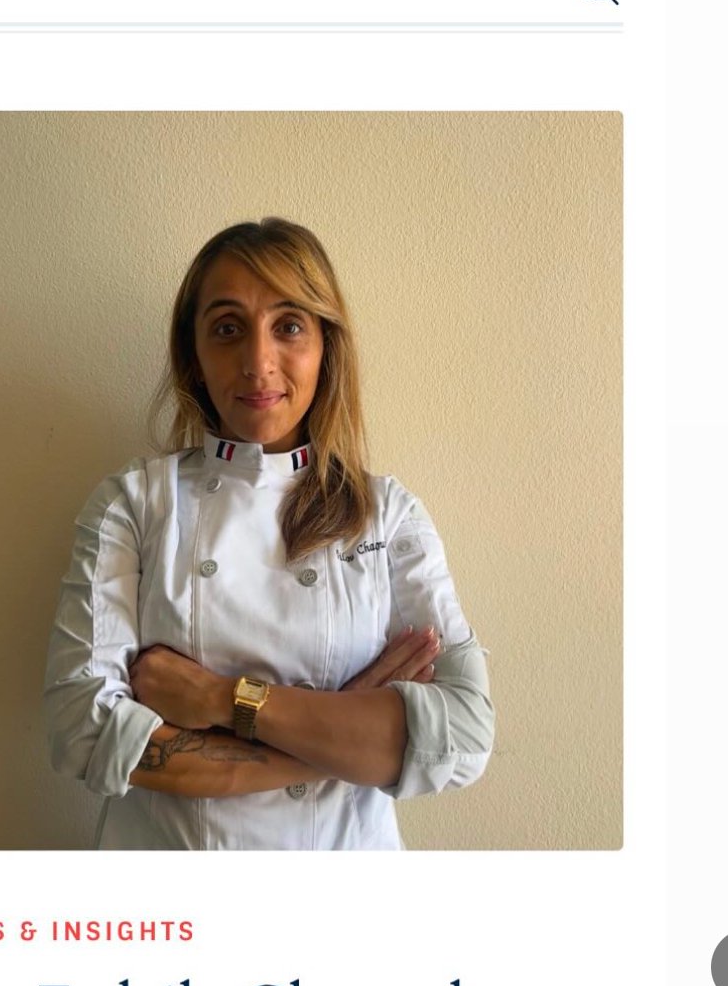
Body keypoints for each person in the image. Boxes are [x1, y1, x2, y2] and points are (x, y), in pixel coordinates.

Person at [44, 218, 494, 849]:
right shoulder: (134, 505)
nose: (258, 363)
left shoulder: (388, 515)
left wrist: (224, 700)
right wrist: (347, 734)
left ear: (325, 346)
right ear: (194, 356)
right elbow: (81, 733)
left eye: (289, 326)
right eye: (228, 329)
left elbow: (465, 736)